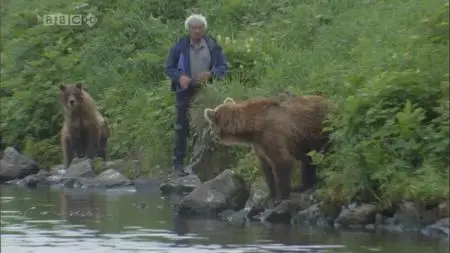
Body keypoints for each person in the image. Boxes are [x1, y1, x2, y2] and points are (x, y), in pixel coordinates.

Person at [164, 14, 227, 177]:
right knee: (181, 126)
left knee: (208, 124)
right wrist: (179, 77)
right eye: (194, 28)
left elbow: (222, 67)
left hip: (206, 89)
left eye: (200, 28)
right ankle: (178, 165)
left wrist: (211, 74)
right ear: (189, 30)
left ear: (204, 29)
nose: (197, 31)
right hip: (184, 89)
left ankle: (206, 165)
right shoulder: (180, 45)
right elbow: (169, 68)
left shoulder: (212, 45)